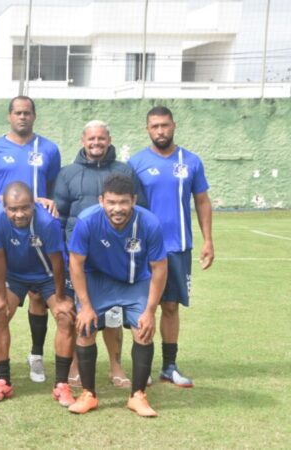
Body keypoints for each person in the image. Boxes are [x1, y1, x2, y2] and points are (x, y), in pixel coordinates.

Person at [53, 120, 145, 388]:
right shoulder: (68, 173)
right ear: (83, 140)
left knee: (114, 316)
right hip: (79, 257)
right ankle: (75, 364)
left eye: (101, 139)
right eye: (91, 139)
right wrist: (61, 251)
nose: (96, 144)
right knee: (78, 312)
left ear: (109, 140)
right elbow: (58, 215)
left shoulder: (124, 171)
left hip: (114, 258)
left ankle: (115, 366)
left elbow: (138, 212)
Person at [67, 173, 167, 417]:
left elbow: (159, 268)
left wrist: (151, 311)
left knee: (143, 329)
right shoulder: (88, 220)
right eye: (111, 202)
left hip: (134, 282)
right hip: (98, 279)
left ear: (133, 200)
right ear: (102, 200)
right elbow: (76, 263)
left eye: (123, 202)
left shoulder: (149, 223)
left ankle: (137, 395)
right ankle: (89, 394)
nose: (117, 208)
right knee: (85, 326)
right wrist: (86, 306)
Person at [128, 106, 214, 387]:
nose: (160, 131)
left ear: (174, 126)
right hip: (142, 248)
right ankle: (143, 367)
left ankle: (169, 366)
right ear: (147, 129)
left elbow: (201, 200)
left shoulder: (191, 161)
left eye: (164, 125)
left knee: (171, 306)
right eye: (154, 126)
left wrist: (208, 240)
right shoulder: (136, 162)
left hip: (177, 247)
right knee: (142, 306)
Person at [0, 96, 61, 384]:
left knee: (39, 297)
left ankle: (35, 356)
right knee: (0, 301)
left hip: (38, 233)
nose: (22, 117)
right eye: (17, 113)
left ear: (34, 116)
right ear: (9, 116)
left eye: (27, 113)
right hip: (5, 234)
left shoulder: (49, 149)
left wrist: (45, 205)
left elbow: (52, 188)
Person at [0, 182, 76, 406]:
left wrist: (61, 298)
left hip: (46, 275)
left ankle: (62, 385)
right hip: (14, 275)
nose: (19, 214)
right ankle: (3, 381)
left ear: (33, 204)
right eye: (13, 209)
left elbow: (57, 262)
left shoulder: (48, 222)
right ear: (4, 207)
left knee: (66, 317)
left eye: (25, 208)